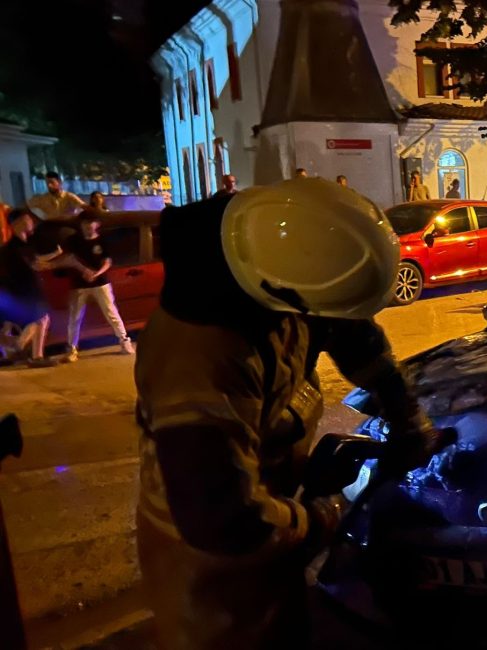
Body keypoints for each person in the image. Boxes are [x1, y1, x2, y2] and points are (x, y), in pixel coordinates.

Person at [134, 179, 452, 649]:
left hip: (270, 506)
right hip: (208, 560)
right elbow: (222, 518)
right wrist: (329, 514)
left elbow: (355, 338)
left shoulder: (286, 267)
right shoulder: (202, 354)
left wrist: (407, 415)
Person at [0, 209, 80, 367]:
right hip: (22, 292)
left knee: (42, 320)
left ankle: (34, 355)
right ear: (18, 223)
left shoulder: (24, 244)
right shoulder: (14, 247)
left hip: (27, 290)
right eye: (28, 220)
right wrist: (64, 262)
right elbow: (36, 265)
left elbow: (36, 259)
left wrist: (55, 254)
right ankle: (21, 349)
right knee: (39, 319)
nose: (31, 223)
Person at [62, 211, 134, 362]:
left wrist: (96, 273)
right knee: (74, 317)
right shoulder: (73, 240)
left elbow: (107, 261)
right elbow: (70, 258)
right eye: (85, 223)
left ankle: (124, 341)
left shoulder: (103, 240)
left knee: (111, 313)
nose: (88, 226)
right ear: (80, 225)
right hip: (79, 284)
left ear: (97, 224)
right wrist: (84, 270)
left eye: (91, 222)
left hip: (101, 283)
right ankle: (71, 349)